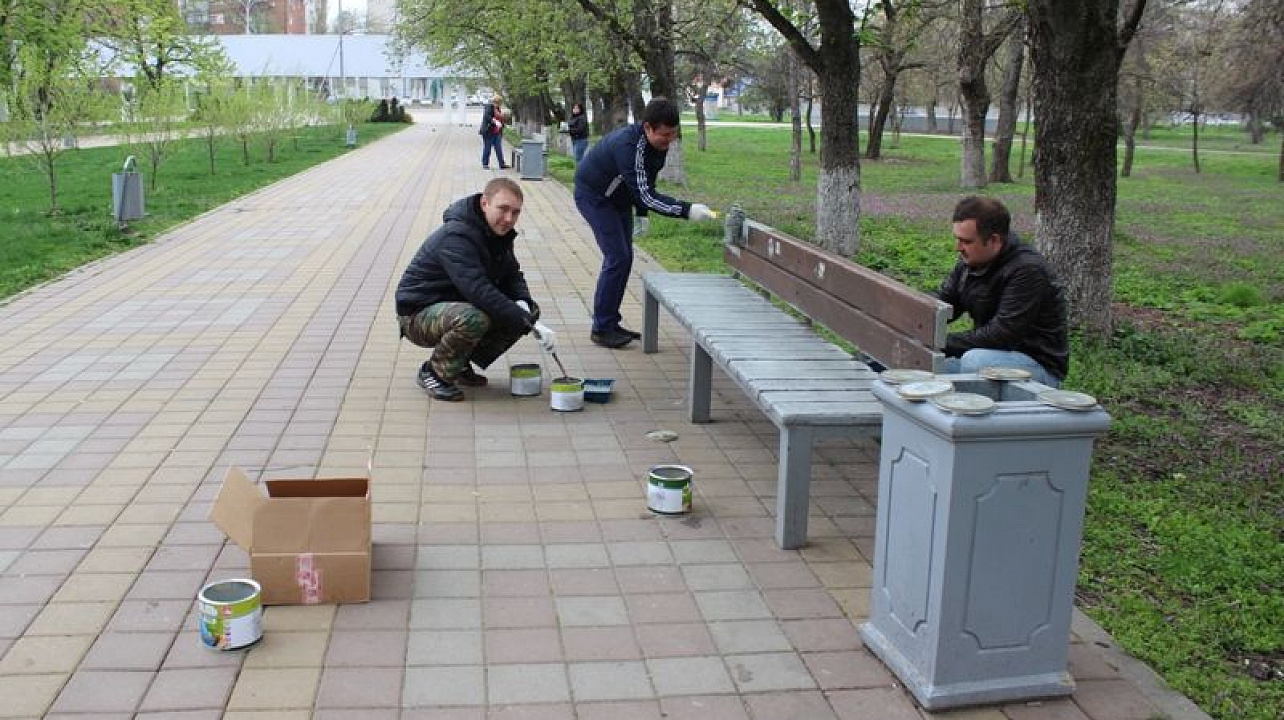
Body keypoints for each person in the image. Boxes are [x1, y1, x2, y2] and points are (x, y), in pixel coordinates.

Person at [574, 97, 715, 348]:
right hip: (595, 197)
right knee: (617, 258)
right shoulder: (629, 146)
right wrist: (687, 210)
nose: (669, 140)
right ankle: (602, 328)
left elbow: (645, 181)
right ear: (648, 127)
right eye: (665, 135)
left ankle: (610, 322)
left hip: (619, 198)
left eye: (673, 134)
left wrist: (641, 214)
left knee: (625, 257)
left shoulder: (657, 144)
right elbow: (646, 195)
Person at [395, 177, 552, 401]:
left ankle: (457, 363)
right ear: (484, 203)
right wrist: (525, 320)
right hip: (417, 314)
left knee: (527, 310)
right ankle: (434, 372)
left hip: (455, 304)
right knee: (474, 318)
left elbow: (512, 274)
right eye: (503, 209)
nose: (509, 219)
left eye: (515, 212)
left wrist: (523, 303)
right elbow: (478, 290)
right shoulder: (457, 236)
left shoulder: (497, 233)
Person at [935, 196, 1069, 387]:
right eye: (957, 239)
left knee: (974, 362)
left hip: (1037, 366)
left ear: (994, 240)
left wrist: (939, 343)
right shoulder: (971, 261)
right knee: (924, 367)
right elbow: (944, 303)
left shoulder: (1027, 270)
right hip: (993, 356)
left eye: (966, 241)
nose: (959, 248)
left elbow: (1001, 335)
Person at [479, 95, 509, 170]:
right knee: (487, 148)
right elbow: (487, 116)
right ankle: (485, 164)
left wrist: (502, 123)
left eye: (499, 103)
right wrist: (494, 121)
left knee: (498, 148)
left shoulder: (497, 108)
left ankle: (502, 164)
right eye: (497, 102)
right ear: (494, 101)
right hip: (488, 132)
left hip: (497, 132)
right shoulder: (489, 107)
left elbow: (499, 118)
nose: (498, 104)